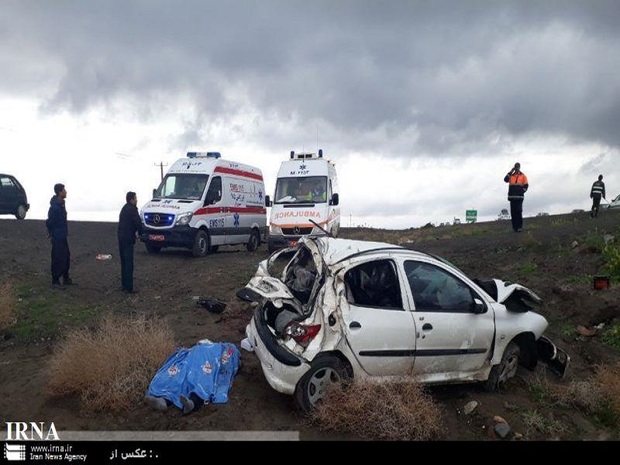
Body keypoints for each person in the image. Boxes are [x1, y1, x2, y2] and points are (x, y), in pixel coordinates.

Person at [46, 183, 73, 290]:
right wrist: (51, 233)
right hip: (57, 236)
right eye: (64, 190)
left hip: (62, 235)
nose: (66, 191)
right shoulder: (55, 207)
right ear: (60, 192)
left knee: (66, 256)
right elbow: (50, 221)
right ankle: (55, 281)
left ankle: (66, 278)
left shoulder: (61, 204)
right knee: (57, 258)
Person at [117, 191, 144, 293]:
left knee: (124, 262)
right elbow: (137, 223)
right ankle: (129, 287)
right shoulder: (133, 210)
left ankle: (124, 285)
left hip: (121, 238)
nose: (137, 200)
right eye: (135, 198)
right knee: (129, 263)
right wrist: (141, 233)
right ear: (131, 200)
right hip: (128, 239)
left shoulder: (124, 209)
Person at [503, 162, 529, 232]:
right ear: (514, 167)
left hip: (519, 197)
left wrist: (521, 191)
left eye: (517, 167)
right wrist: (510, 172)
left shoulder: (523, 176)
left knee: (519, 211)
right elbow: (505, 180)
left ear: (519, 167)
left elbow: (526, 186)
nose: (516, 168)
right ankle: (515, 228)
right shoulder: (511, 175)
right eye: (515, 167)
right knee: (513, 212)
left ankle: (519, 227)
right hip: (512, 197)